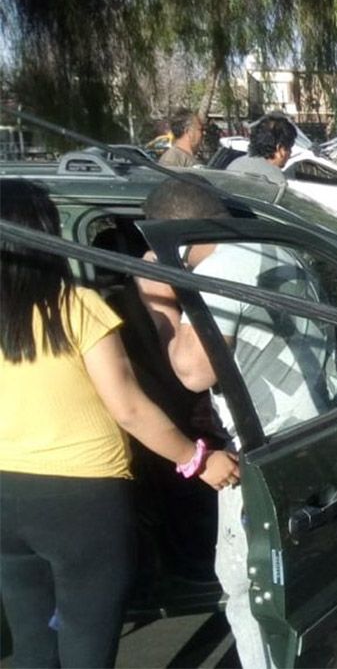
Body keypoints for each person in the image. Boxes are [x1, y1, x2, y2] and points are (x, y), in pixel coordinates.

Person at [0, 179, 239, 669]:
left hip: (5, 499)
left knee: (32, 643)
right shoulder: (77, 307)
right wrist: (197, 459)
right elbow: (128, 406)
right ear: (43, 237)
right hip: (81, 503)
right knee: (86, 643)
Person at [137, 177, 331, 669]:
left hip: (264, 452)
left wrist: (156, 297)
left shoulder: (220, 272)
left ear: (171, 237)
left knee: (249, 585)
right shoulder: (269, 247)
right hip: (315, 427)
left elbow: (191, 371)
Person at [226, 114, 296, 185]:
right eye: (289, 148)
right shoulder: (276, 181)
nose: (290, 154)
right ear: (280, 149)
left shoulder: (234, 165)